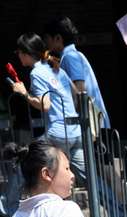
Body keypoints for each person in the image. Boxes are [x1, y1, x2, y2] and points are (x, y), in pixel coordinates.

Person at [10, 34, 84, 183]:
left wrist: (24, 93)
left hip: (57, 133)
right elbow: (77, 94)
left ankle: (7, 205)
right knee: (89, 177)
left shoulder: (36, 73)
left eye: (18, 52)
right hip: (76, 131)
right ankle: (118, 206)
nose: (18, 56)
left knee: (25, 160)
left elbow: (45, 105)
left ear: (26, 53)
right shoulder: (56, 68)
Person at [42, 17, 109, 129]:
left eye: (47, 38)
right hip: (94, 124)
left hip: (93, 127)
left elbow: (81, 92)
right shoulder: (71, 56)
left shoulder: (70, 57)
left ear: (58, 38)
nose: (45, 42)